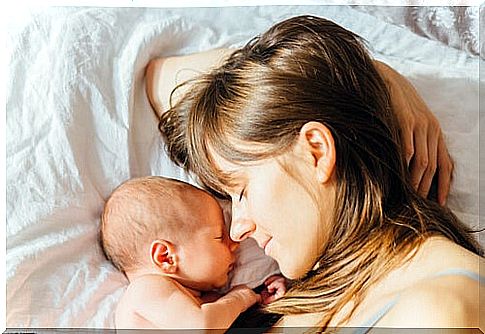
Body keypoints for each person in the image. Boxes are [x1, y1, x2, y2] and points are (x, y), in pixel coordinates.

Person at [149, 15, 484, 331]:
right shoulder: (335, 279)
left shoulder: (434, 311)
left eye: (242, 190)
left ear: (317, 151)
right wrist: (370, 77)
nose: (236, 229)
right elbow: (156, 78)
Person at [100, 176, 286, 329]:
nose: (234, 244)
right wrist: (240, 298)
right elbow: (203, 327)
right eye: (220, 237)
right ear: (166, 257)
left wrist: (260, 298)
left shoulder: (197, 300)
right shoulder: (145, 290)